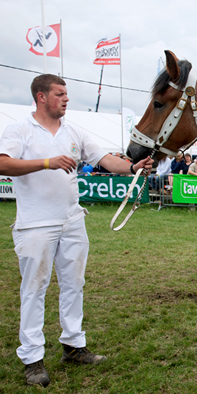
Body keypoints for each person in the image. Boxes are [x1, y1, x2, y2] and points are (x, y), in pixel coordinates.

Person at [0, 74, 153, 387]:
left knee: (74, 284)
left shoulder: (74, 130)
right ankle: (32, 359)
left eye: (66, 93)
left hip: (72, 220)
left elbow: (105, 159)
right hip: (35, 224)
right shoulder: (19, 130)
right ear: (41, 97)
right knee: (34, 289)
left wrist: (133, 168)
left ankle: (73, 346)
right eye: (59, 93)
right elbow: (3, 164)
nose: (66, 99)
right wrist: (47, 163)